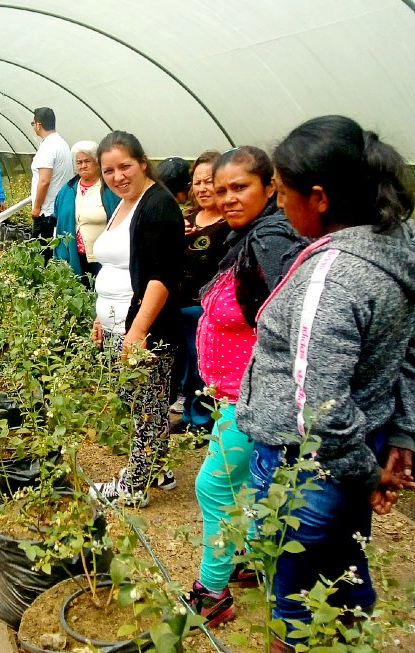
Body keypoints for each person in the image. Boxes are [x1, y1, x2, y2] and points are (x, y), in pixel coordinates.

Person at [235, 116, 415, 652]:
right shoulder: (395, 242)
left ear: (319, 198)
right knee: (344, 576)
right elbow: (407, 354)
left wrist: (365, 478)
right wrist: (400, 440)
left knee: (292, 600)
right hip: (363, 446)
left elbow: (321, 409)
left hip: (310, 464)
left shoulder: (333, 276)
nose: (281, 207)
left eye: (284, 195)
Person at [190, 146, 307, 626]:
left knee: (213, 487)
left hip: (252, 400)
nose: (228, 198)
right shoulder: (246, 238)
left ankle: (211, 593)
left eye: (241, 187)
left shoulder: (272, 240)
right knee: (244, 489)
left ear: (270, 188)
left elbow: (289, 318)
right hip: (232, 395)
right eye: (221, 190)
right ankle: (246, 560)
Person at [89, 131, 185, 507]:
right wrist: (102, 315)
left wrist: (138, 330)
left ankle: (135, 486)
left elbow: (162, 276)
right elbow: (119, 265)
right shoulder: (126, 202)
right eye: (108, 170)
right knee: (141, 400)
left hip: (142, 327)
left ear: (143, 163)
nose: (117, 176)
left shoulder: (157, 204)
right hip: (117, 322)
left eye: (125, 166)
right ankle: (157, 470)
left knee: (145, 405)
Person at [166, 151, 228, 434]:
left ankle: (204, 419)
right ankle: (190, 414)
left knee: (207, 367)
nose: (203, 188)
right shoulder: (186, 219)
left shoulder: (229, 225)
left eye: (209, 181)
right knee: (189, 367)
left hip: (207, 311)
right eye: (197, 182)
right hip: (179, 305)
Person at [53, 140, 120, 285]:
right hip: (73, 255)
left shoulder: (108, 189)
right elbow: (58, 217)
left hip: (101, 259)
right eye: (79, 162)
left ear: (97, 162)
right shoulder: (68, 189)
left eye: (87, 161)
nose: (83, 165)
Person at [30, 107, 74, 262]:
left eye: (33, 123)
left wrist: (37, 207)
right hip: (58, 208)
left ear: (38, 125)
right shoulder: (61, 143)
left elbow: (44, 180)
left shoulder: (48, 147)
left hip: (46, 213)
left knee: (41, 258)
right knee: (54, 254)